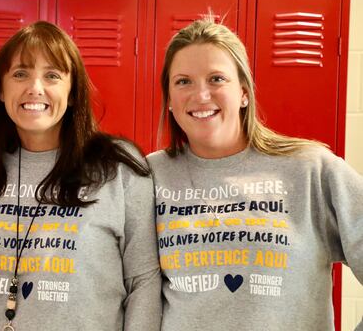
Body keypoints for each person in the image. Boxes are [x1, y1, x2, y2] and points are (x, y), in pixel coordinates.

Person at [149, 19, 363, 330]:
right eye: (183, 82)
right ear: (169, 99)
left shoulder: (311, 169)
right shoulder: (149, 175)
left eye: (216, 79)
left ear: (244, 93)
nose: (201, 95)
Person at [0, 21, 162, 330]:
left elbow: (143, 280)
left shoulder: (117, 167)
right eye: (20, 74)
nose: (35, 87)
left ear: (72, 93)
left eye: (52, 75)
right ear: (1, 92)